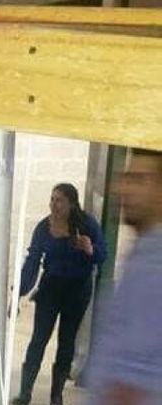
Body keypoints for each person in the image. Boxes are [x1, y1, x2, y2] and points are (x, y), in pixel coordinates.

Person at [13, 183, 107, 405]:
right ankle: (25, 393)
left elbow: (103, 254)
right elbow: (33, 261)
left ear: (72, 204)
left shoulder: (87, 225)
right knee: (38, 339)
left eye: (59, 200)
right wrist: (18, 291)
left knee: (67, 342)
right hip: (51, 288)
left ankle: (56, 396)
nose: (53, 205)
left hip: (77, 290)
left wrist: (90, 249)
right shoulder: (43, 227)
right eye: (52, 199)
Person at [87, 148, 162, 405]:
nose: (122, 189)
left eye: (138, 180)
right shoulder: (142, 252)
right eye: (125, 178)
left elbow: (129, 386)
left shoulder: (154, 263)